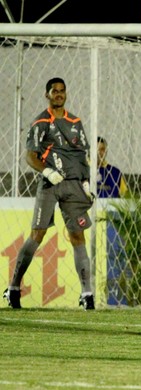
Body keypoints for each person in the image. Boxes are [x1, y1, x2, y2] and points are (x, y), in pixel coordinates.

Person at [3, 77, 95, 310]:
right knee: (38, 233)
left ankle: (87, 294)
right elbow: (30, 156)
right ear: (47, 95)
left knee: (78, 236)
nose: (59, 95)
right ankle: (13, 287)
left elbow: (82, 154)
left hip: (74, 184)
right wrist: (48, 172)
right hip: (50, 184)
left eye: (62, 91)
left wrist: (85, 183)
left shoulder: (76, 122)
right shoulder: (40, 122)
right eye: (55, 91)